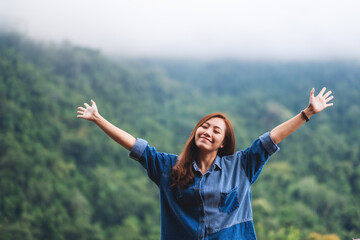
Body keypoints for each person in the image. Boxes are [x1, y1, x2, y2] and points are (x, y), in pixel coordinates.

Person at [77, 87, 334, 240]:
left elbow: (270, 139)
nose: (207, 131)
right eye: (204, 126)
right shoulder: (168, 168)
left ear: (223, 142)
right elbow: (135, 145)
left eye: (216, 130)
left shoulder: (241, 166)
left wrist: (306, 113)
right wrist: (99, 119)